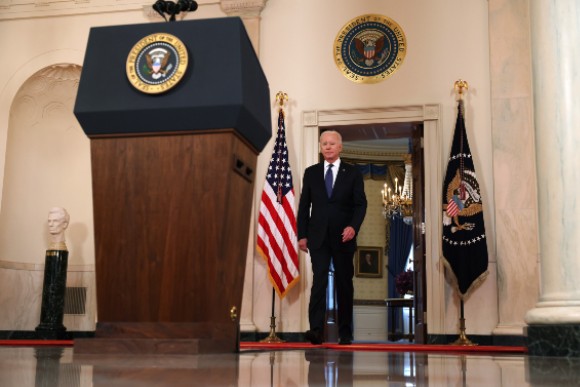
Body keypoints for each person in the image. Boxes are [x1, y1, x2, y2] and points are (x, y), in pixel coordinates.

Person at [297, 130, 367, 345]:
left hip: (343, 237)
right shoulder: (311, 173)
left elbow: (360, 204)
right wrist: (302, 235)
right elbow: (304, 206)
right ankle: (316, 330)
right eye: (324, 143)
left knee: (344, 284)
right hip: (317, 237)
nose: (327, 147)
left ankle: (345, 333)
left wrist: (353, 227)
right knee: (319, 283)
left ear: (340, 147)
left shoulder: (353, 173)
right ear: (320, 147)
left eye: (332, 143)